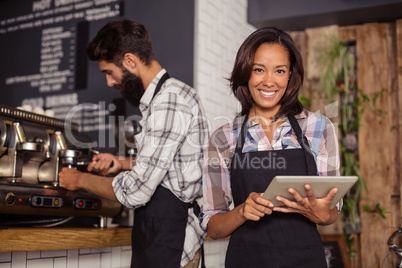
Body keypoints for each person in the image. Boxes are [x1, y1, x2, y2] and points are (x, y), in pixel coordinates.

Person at [58, 19, 209, 268]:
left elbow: (137, 191)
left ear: (130, 61)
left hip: (173, 242)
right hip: (162, 237)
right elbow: (173, 168)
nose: (109, 81)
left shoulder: (169, 100)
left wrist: (79, 180)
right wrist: (122, 163)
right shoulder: (166, 98)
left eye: (109, 72)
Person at [200, 27, 341, 267]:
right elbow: (214, 227)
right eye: (258, 70)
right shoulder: (223, 139)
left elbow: (331, 212)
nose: (268, 81)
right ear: (246, 73)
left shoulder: (318, 129)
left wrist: (320, 213)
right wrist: (242, 211)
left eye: (279, 71)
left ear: (290, 76)